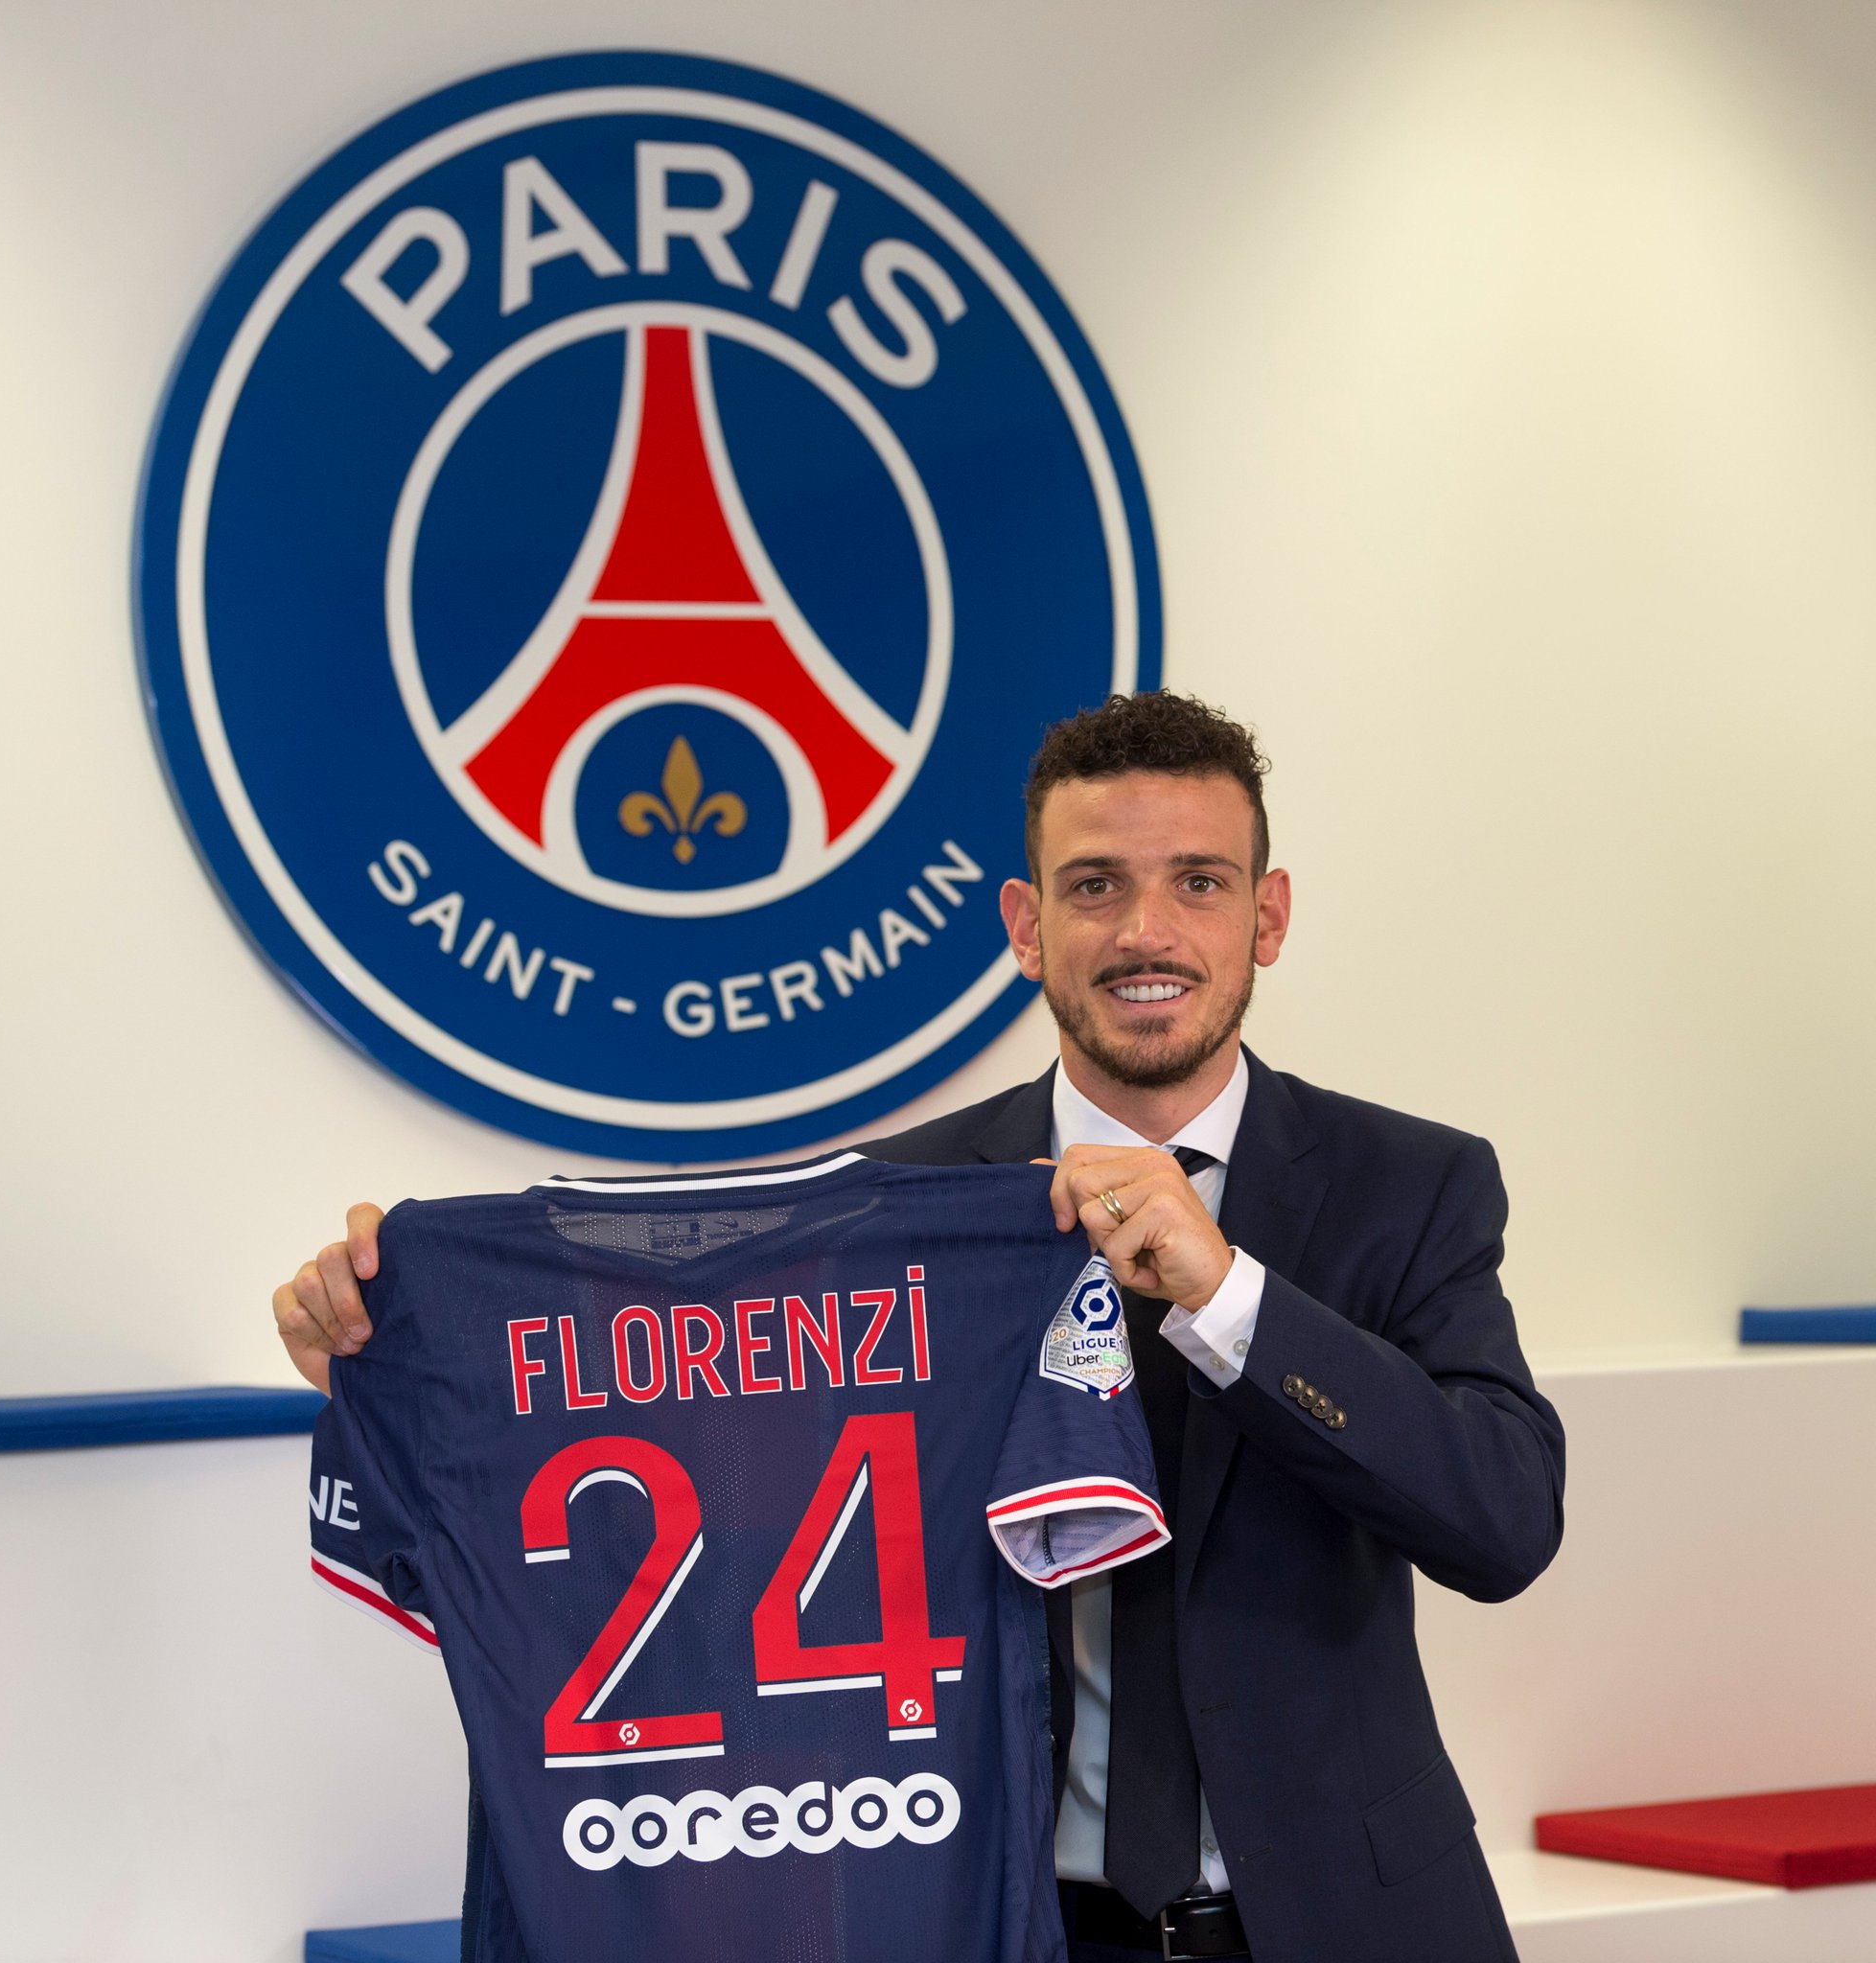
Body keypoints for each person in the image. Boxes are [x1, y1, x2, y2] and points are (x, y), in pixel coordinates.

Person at [274, 692, 1564, 1963]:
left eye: (1200, 883)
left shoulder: (1413, 1186)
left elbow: (1503, 1518)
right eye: (1096, 886)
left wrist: (1230, 1297)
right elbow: (726, 1516)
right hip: (1002, 1923)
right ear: (1026, 926)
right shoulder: (894, 1210)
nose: (1147, 931)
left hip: (1351, 1924)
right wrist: (412, 1371)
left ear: (1267, 917)